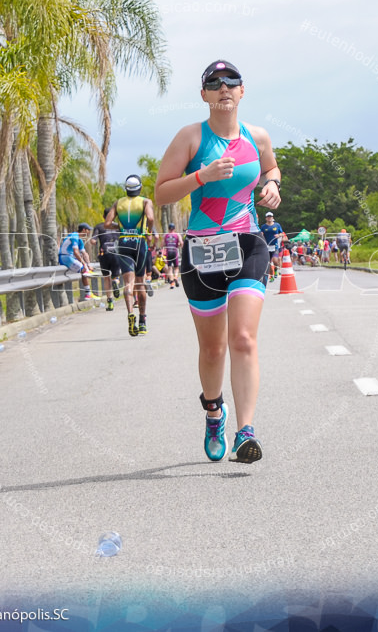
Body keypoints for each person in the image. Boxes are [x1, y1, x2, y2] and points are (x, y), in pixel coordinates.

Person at [154, 59, 281, 464]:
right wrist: (201, 177)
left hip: (246, 242)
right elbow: (160, 194)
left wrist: (273, 184)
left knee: (242, 338)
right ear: (204, 94)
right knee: (212, 350)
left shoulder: (256, 136)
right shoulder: (191, 138)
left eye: (232, 82)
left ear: (242, 91)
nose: (223, 87)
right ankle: (214, 412)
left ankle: (246, 432)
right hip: (201, 250)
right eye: (214, 82)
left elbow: (270, 166)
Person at [105, 175, 154, 336]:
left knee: (128, 284)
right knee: (140, 284)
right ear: (139, 188)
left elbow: (107, 223)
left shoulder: (118, 203)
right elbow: (151, 217)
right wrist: (148, 232)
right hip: (139, 243)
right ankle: (142, 321)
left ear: (126, 188)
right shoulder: (145, 201)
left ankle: (130, 313)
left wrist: (119, 228)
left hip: (123, 243)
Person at [92, 209, 121, 311]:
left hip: (104, 253)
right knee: (115, 276)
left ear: (104, 216)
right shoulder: (118, 227)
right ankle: (116, 283)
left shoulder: (99, 227)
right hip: (116, 253)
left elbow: (92, 241)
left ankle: (110, 302)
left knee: (106, 278)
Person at [58, 223, 93, 299]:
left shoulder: (80, 240)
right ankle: (88, 294)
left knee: (86, 269)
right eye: (88, 230)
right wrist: (84, 264)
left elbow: (84, 253)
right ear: (83, 230)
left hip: (71, 258)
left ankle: (89, 293)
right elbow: (76, 252)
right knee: (84, 270)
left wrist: (89, 264)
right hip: (64, 257)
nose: (89, 232)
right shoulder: (74, 236)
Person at [259, 212, 284, 281]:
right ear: (266, 218)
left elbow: (282, 233)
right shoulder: (263, 226)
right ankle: (271, 276)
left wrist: (279, 235)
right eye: (268, 217)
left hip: (275, 246)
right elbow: (261, 234)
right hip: (267, 246)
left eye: (270, 216)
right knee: (269, 262)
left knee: (275, 261)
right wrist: (261, 234)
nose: (269, 218)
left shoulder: (277, 225)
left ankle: (276, 271)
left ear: (273, 217)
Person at [163, 222, 183, 288]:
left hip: (169, 252)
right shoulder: (177, 234)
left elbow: (162, 245)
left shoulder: (166, 235)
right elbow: (181, 243)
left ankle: (172, 283)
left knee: (169, 268)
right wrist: (179, 245)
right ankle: (176, 277)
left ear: (168, 228)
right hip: (175, 251)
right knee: (176, 267)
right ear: (174, 228)